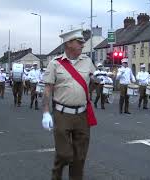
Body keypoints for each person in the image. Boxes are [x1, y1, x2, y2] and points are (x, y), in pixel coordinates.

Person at [42, 29, 97, 180]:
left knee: (79, 158)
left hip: (82, 115)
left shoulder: (87, 62)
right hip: (62, 114)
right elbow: (47, 90)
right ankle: (56, 174)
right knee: (65, 154)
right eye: (79, 42)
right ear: (68, 44)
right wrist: (46, 112)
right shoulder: (55, 64)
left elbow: (90, 84)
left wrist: (98, 81)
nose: (82, 45)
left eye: (82, 42)